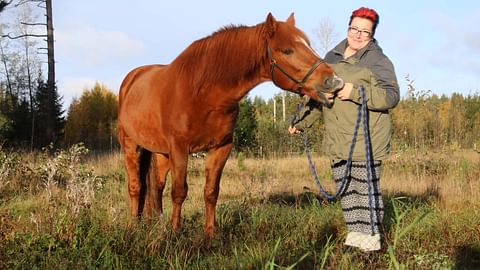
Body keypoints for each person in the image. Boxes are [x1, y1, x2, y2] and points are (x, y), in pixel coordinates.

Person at [289, 7, 399, 252]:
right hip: (338, 140)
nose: (358, 35)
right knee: (347, 192)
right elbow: (318, 98)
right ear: (348, 27)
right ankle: (355, 238)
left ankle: (371, 245)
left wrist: (354, 93)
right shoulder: (330, 58)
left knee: (365, 193)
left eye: (365, 32)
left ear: (372, 35)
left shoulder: (378, 61)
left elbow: (391, 97)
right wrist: (301, 123)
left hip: (366, 140)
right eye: (355, 29)